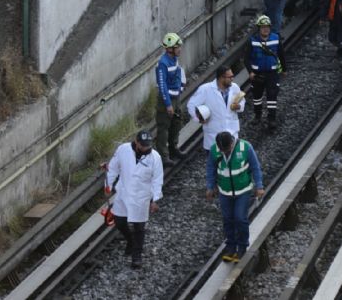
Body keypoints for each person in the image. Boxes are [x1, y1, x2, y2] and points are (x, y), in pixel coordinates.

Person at [103, 130, 163, 269]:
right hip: (124, 193)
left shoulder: (155, 158)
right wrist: (108, 185)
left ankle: (137, 257)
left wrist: (154, 199)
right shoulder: (123, 150)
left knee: (139, 227)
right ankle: (130, 241)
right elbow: (113, 168)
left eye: (147, 145)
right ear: (136, 142)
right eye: (142, 145)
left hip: (141, 197)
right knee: (119, 222)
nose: (145, 148)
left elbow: (157, 179)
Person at [205, 131, 264, 262]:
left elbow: (255, 167)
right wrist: (210, 186)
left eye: (226, 149)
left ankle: (242, 247)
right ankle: (231, 247)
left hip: (242, 191)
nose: (224, 152)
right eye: (222, 150)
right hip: (224, 192)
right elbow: (210, 168)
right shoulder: (214, 150)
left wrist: (259, 186)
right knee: (227, 219)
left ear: (232, 143)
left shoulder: (245, 147)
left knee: (240, 218)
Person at [187, 66, 246, 151]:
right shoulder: (206, 89)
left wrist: (239, 106)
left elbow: (242, 101)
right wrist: (198, 118)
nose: (232, 79)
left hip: (232, 134)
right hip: (213, 137)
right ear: (221, 78)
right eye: (230, 77)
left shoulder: (234, 87)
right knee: (214, 163)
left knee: (232, 163)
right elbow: (191, 105)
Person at [244, 15, 287, 129]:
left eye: (267, 27)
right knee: (257, 97)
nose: (265, 29)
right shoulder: (252, 41)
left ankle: (271, 119)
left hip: (272, 73)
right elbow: (246, 59)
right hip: (257, 74)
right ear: (259, 28)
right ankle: (258, 116)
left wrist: (284, 69)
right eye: (263, 27)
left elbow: (282, 55)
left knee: (272, 96)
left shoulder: (276, 38)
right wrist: (250, 72)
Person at [155, 32, 185, 167]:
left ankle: (173, 148)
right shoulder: (163, 63)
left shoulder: (174, 60)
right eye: (177, 47)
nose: (180, 49)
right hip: (166, 100)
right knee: (164, 128)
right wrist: (168, 104)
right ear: (170, 49)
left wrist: (180, 89)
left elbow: (178, 75)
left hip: (176, 98)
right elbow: (162, 85)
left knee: (176, 123)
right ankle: (163, 156)